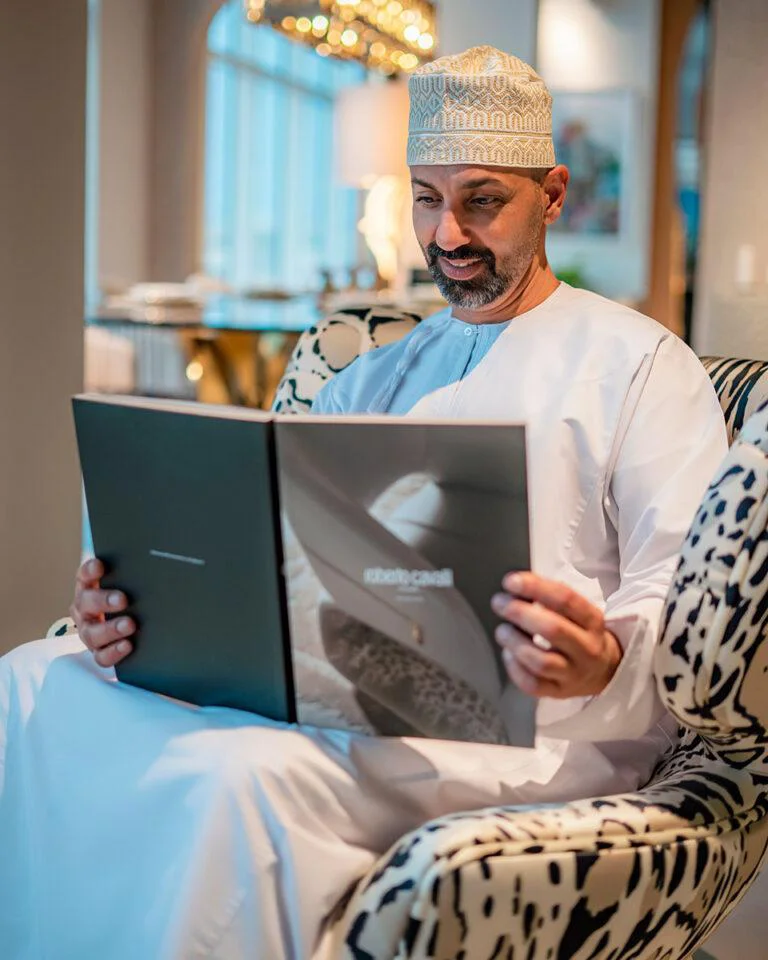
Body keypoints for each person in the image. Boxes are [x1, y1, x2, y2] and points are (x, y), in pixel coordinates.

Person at [2, 47, 727, 960]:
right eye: (425, 198)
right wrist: (130, 609)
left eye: (481, 200)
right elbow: (269, 557)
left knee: (236, 777)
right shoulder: (376, 375)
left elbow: (685, 597)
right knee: (34, 679)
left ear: (552, 192)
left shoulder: (644, 366)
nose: (448, 234)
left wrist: (602, 659)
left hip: (535, 735)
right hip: (338, 694)